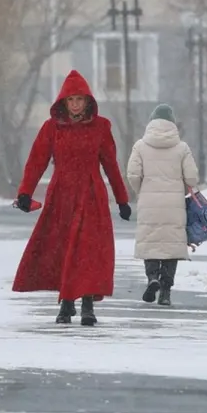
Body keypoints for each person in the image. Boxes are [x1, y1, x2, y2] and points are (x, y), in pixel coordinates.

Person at [13, 71, 131, 326]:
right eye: (71, 99)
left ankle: (87, 304)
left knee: (88, 250)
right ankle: (66, 304)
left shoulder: (101, 127)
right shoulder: (52, 128)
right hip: (62, 195)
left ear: (88, 101)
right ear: (63, 102)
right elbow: (36, 161)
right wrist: (25, 193)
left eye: (80, 99)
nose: (76, 104)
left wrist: (122, 199)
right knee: (64, 247)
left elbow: (110, 164)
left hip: (91, 195)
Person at [126, 103, 200, 307]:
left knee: (150, 241)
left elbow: (132, 174)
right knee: (170, 246)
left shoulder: (140, 146)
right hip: (174, 203)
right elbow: (192, 178)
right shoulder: (182, 148)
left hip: (149, 201)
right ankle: (166, 291)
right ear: (172, 123)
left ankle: (152, 278)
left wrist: (141, 190)